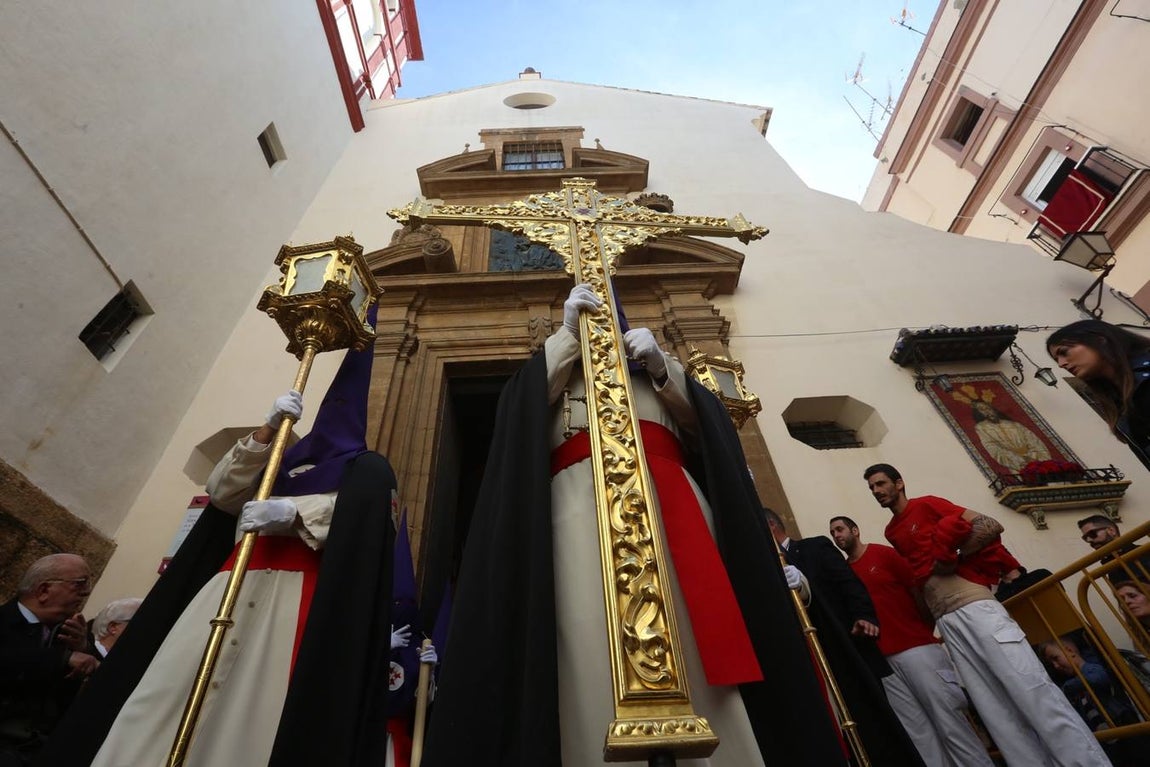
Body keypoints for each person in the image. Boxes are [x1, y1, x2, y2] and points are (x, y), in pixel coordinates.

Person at [422, 285, 923, 766]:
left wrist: (664, 367)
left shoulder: (657, 379)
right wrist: (566, 339)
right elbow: (518, 416)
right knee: (586, 635)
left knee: (694, 636)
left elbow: (709, 433)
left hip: (676, 516)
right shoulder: (551, 376)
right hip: (577, 519)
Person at [40, 333, 399, 767]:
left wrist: (295, 512)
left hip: (294, 600)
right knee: (169, 688)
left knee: (251, 711)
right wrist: (265, 432)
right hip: (232, 580)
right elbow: (223, 493)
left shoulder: (369, 471)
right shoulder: (280, 457)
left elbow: (368, 521)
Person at [864, 462, 1113, 767]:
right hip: (947, 621)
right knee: (995, 710)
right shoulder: (892, 531)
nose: (876, 491)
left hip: (975, 605)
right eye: (872, 488)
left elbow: (989, 524)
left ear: (899, 483)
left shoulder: (927, 504)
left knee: (1030, 689)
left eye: (880, 484)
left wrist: (952, 556)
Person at [829, 516, 994, 767]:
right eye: (832, 533)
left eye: (840, 529)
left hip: (917, 648)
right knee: (918, 734)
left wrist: (924, 630)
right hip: (883, 662)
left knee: (950, 722)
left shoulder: (882, 554)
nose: (836, 535)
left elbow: (916, 589)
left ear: (855, 530)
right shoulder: (844, 572)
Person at [1, 554, 99, 766]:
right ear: (44, 591)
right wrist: (63, 658)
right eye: (79, 584)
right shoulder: (4, 623)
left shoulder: (73, 634)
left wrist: (84, 649)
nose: (86, 591)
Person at [1047, 319, 1150, 469]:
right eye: (1057, 359)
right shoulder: (1118, 401)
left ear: (1099, 340)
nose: (1061, 364)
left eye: (1063, 352)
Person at [1040, 635, 1150, 766]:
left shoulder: (1091, 668)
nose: (1056, 666)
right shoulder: (1074, 684)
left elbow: (1098, 678)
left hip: (1123, 725)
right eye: (1051, 663)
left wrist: (1068, 687)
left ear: (1069, 651)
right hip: (1104, 737)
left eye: (1055, 658)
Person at [1078, 514, 1150, 583]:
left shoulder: (1144, 552)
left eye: (1092, 534)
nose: (1089, 540)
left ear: (1111, 530)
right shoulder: (1109, 563)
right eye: (1085, 538)